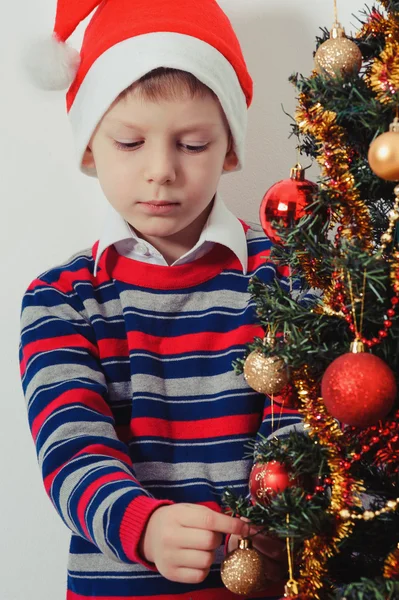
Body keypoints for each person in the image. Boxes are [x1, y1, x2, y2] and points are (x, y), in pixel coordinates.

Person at [19, 0, 303, 598]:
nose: (161, 171)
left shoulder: (283, 278)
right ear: (90, 150)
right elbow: (72, 447)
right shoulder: (61, 300)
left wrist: (280, 514)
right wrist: (143, 527)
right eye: (129, 142)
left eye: (192, 144)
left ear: (230, 150)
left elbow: (299, 422)